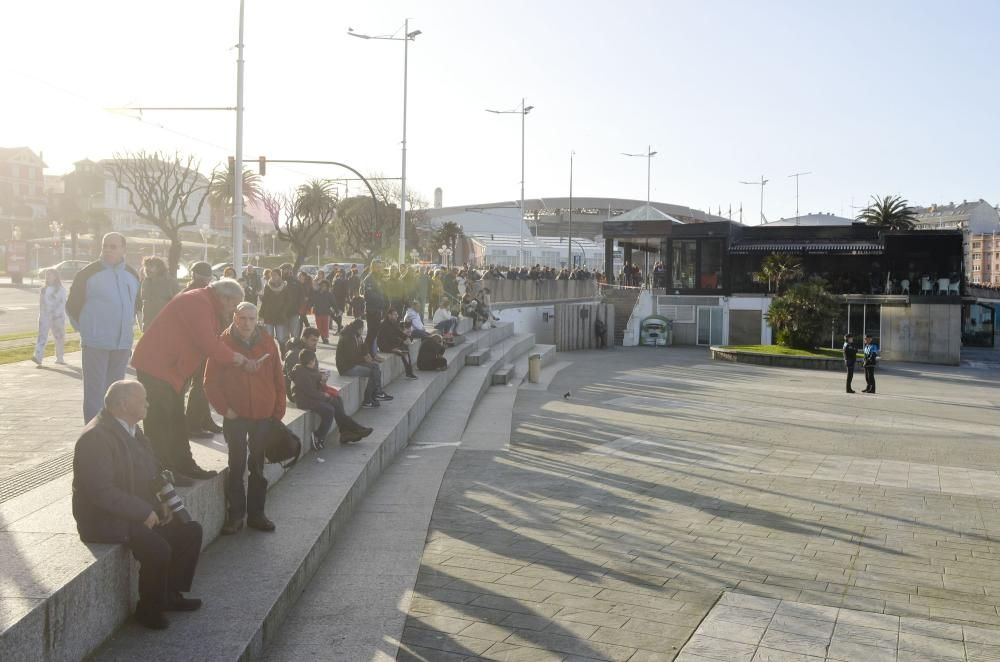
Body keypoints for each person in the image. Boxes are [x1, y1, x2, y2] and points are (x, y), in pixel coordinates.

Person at [72, 380, 203, 630]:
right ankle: (148, 610)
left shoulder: (133, 429)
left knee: (189, 531)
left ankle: (170, 596)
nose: (147, 404)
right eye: (142, 400)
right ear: (122, 404)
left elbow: (149, 471)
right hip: (103, 518)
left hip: (132, 510)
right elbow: (101, 492)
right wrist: (143, 511)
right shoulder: (95, 438)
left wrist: (158, 503)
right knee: (159, 548)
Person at [131, 279, 258, 483]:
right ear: (223, 297)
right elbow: (208, 342)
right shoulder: (197, 302)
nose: (234, 310)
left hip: (172, 369)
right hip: (157, 366)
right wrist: (238, 359)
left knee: (177, 420)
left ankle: (185, 465)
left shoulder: (207, 303)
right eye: (233, 305)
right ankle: (166, 472)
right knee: (161, 421)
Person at [204, 303, 284, 535]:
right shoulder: (223, 343)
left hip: (262, 415)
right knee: (236, 464)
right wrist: (224, 409)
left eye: (251, 318)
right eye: (243, 318)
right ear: (235, 318)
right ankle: (236, 515)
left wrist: (277, 412)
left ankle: (257, 514)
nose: (247, 323)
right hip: (236, 416)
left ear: (257, 318)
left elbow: (279, 377)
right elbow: (209, 381)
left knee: (258, 466)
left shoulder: (267, 341)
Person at [66, 232, 141, 423]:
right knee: (94, 393)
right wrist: (87, 331)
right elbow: (72, 306)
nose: (108, 250)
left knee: (116, 393)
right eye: (105, 246)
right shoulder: (88, 273)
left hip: (122, 344)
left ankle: (113, 431)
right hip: (95, 343)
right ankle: (93, 435)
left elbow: (137, 304)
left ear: (124, 249)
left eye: (113, 246)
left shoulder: (132, 274)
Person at [290, 349, 372, 450]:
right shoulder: (301, 372)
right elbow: (310, 391)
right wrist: (324, 395)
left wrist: (322, 382)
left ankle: (346, 432)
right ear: (308, 361)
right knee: (329, 409)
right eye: (311, 361)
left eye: (313, 361)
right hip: (304, 400)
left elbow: (316, 387)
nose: (313, 363)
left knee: (337, 399)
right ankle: (318, 436)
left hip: (312, 396)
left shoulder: (311, 369)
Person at [336, 319, 392, 408]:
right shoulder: (348, 338)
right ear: (359, 328)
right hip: (346, 368)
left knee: (375, 367)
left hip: (354, 363)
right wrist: (364, 359)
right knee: (373, 372)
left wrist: (368, 355)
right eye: (362, 328)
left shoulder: (356, 335)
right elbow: (351, 358)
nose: (363, 331)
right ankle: (369, 398)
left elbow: (363, 347)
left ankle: (375, 394)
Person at [32, 268, 67, 366]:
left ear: (55, 277)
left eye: (50, 274)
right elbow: (41, 304)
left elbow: (62, 303)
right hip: (45, 317)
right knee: (42, 337)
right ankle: (38, 357)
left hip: (58, 317)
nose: (48, 276)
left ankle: (60, 357)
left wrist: (56, 314)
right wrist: (42, 316)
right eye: (47, 275)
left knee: (59, 337)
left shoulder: (61, 289)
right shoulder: (43, 289)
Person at [138, 256, 179, 332]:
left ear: (160, 267)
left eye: (151, 266)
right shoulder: (145, 282)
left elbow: (178, 303)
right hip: (148, 325)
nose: (147, 268)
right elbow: (143, 301)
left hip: (166, 325)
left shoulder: (170, 282)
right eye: (146, 266)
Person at [378, 308, 417, 379]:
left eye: (397, 314)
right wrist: (402, 341)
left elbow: (398, 332)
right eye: (395, 315)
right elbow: (390, 337)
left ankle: (409, 373)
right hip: (385, 346)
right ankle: (409, 373)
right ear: (389, 315)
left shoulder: (393, 323)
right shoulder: (385, 324)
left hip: (391, 344)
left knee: (405, 349)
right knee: (404, 350)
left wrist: (406, 337)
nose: (397, 316)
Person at [259, 269, 290, 346]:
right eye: (272, 275)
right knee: (269, 338)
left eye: (275, 275)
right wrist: (261, 314)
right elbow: (265, 301)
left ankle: (281, 353)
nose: (273, 276)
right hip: (269, 315)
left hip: (280, 316)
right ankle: (271, 355)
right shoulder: (267, 286)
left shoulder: (285, 286)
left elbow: (288, 301)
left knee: (280, 338)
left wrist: (284, 312)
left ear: (279, 276)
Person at [361, 260, 386, 354]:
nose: (379, 269)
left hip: (378, 309)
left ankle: (371, 354)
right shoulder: (369, 279)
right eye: (377, 267)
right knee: (371, 334)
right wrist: (382, 301)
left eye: (380, 267)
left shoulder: (379, 278)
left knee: (374, 334)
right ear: (372, 267)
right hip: (372, 310)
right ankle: (365, 353)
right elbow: (368, 295)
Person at [310, 279, 336, 343]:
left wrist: (337, 310)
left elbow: (333, 303)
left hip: (326, 312)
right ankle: (322, 336)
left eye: (325, 286)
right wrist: (309, 306)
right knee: (319, 326)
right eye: (322, 285)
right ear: (320, 286)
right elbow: (312, 301)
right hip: (318, 312)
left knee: (325, 326)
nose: (323, 287)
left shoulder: (329, 294)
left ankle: (324, 337)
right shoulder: (316, 293)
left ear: (327, 287)